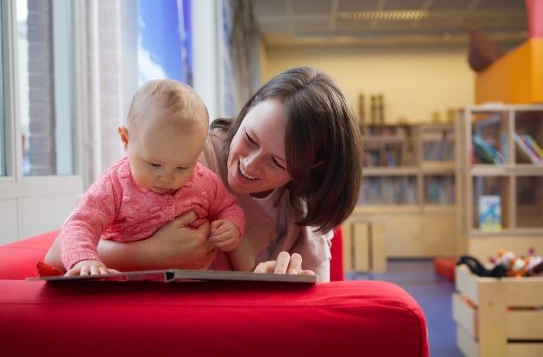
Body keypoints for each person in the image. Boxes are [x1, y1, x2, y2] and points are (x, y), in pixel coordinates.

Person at [46, 67, 362, 282]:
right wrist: (148, 254)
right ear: (248, 109)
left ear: (307, 172)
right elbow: (60, 253)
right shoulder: (185, 155)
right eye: (249, 139)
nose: (249, 165)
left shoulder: (303, 212)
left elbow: (316, 309)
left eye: (276, 163)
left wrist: (270, 286)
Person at [56, 79, 244, 276]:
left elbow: (228, 206)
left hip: (187, 288)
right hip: (130, 287)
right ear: (126, 140)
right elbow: (81, 223)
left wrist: (232, 226)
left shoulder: (204, 181)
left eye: (182, 167)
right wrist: (85, 259)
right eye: (155, 164)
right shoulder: (114, 185)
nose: (167, 177)